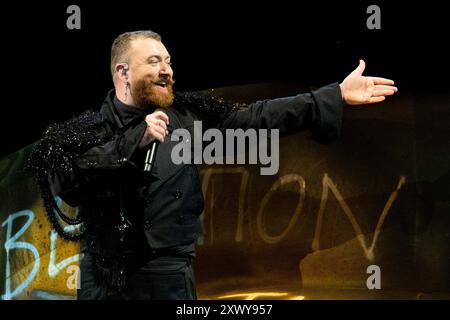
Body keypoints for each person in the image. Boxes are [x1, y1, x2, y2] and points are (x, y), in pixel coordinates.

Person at [29, 30, 397, 300]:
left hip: (167, 275)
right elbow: (68, 180)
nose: (167, 70)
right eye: (154, 61)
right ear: (122, 72)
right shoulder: (86, 130)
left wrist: (330, 97)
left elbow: (257, 117)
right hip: (102, 278)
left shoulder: (188, 117)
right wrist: (133, 141)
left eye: (169, 61)